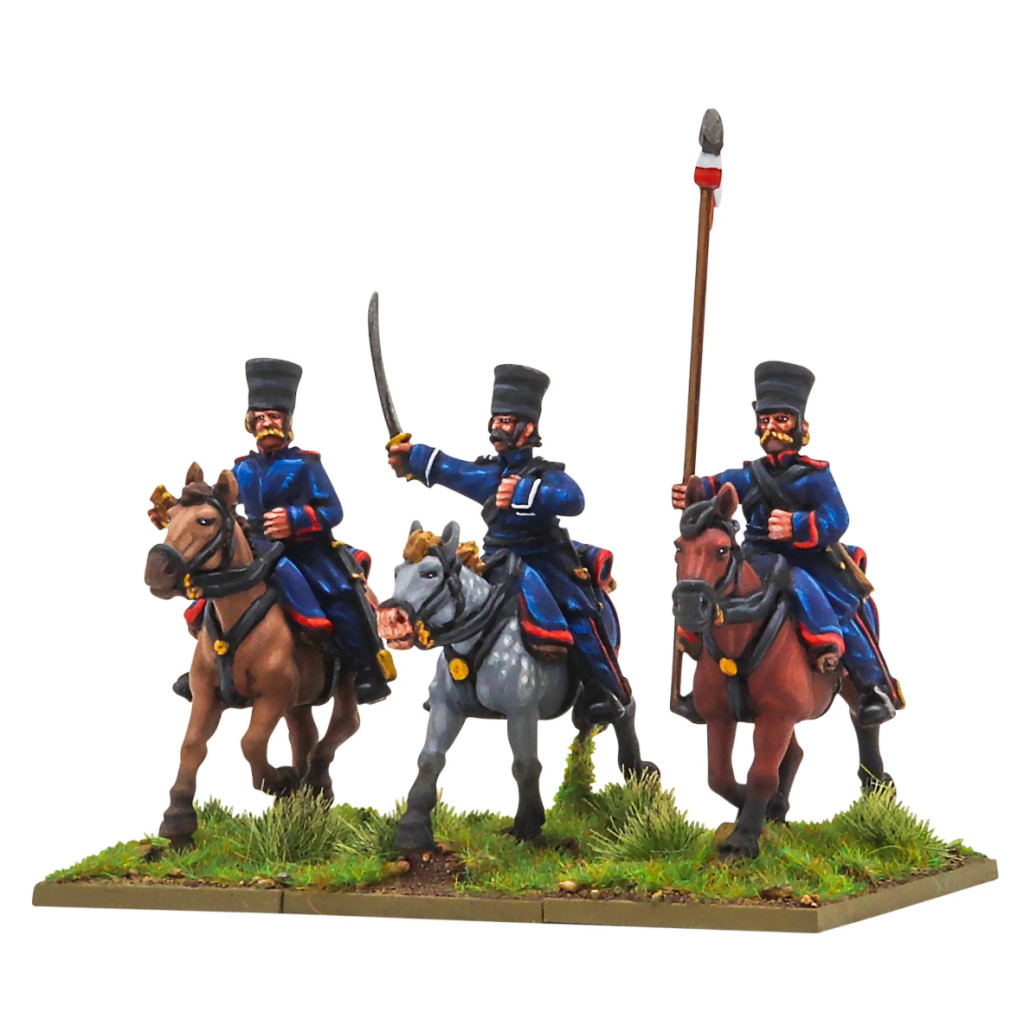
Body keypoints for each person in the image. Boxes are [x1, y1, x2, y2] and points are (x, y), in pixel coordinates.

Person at [387, 364, 630, 725]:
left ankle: (603, 690)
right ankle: (450, 685)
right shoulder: (489, 474)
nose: (497, 428)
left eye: (507, 421)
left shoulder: (546, 474)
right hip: (498, 559)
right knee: (458, 599)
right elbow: (452, 469)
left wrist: (524, 492)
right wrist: (413, 457)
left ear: (527, 429)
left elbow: (573, 499)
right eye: (496, 420)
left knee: (579, 612)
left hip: (546, 559)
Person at [671, 360, 903, 728]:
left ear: (800, 426)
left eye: (781, 419)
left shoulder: (815, 476)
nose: (771, 428)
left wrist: (797, 526)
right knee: (709, 589)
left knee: (840, 608)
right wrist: (692, 492)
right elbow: (716, 486)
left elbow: (837, 518)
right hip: (757, 558)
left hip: (805, 560)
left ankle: (871, 687)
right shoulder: (751, 474)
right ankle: (704, 683)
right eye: (765, 420)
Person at [159, 357, 394, 705]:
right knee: (214, 590)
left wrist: (296, 519)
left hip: (306, 549)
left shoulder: (306, 464)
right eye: (261, 418)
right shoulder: (242, 468)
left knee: (343, 593)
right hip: (256, 545)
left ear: (286, 421)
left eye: (274, 417)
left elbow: (333, 510)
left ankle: (364, 667)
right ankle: (206, 667)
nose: (267, 423)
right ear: (251, 423)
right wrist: (177, 513)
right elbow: (219, 503)